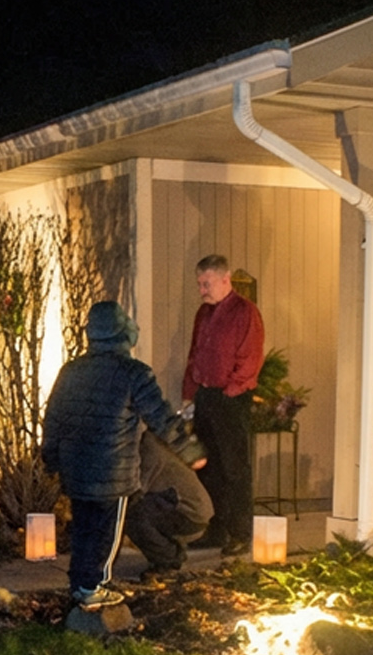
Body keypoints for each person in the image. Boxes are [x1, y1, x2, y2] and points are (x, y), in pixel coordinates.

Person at [42, 301, 205, 611]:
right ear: (123, 332)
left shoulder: (71, 371)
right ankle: (94, 587)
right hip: (112, 472)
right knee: (106, 533)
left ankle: (80, 585)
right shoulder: (134, 373)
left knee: (83, 529)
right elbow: (160, 417)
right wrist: (189, 449)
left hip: (76, 470)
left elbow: (53, 419)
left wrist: (51, 458)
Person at [180, 254, 265, 557]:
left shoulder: (245, 312)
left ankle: (240, 532)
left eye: (207, 283)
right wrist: (189, 394)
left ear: (225, 279)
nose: (202, 290)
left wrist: (230, 390)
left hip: (229, 398)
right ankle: (215, 530)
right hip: (205, 395)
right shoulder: (203, 313)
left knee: (234, 468)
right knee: (209, 469)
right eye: (199, 284)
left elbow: (251, 357)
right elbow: (195, 354)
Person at [123, 429, 211, 574]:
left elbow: (135, 491)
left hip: (189, 513)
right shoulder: (152, 442)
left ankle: (169, 560)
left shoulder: (149, 450)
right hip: (189, 510)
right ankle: (169, 552)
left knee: (132, 516)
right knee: (137, 511)